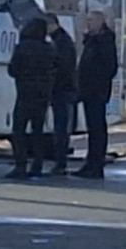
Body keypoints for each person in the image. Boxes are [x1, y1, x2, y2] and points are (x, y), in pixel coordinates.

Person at [6, 17, 57, 178]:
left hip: (25, 92)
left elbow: (13, 70)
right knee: (38, 131)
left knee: (19, 130)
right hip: (42, 95)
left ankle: (20, 164)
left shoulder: (22, 48)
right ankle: (37, 165)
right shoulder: (49, 48)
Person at [77, 10, 119, 179]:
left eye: (91, 20)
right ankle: (91, 162)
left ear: (101, 22)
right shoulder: (93, 40)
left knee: (97, 129)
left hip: (96, 91)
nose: (88, 23)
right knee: (92, 129)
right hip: (89, 90)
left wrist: (95, 81)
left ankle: (96, 164)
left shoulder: (104, 41)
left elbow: (110, 67)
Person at [45, 14, 79, 176]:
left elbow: (62, 67)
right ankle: (60, 161)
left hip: (62, 89)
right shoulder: (63, 40)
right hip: (64, 89)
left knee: (61, 127)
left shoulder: (60, 42)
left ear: (53, 25)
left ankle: (60, 163)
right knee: (61, 127)